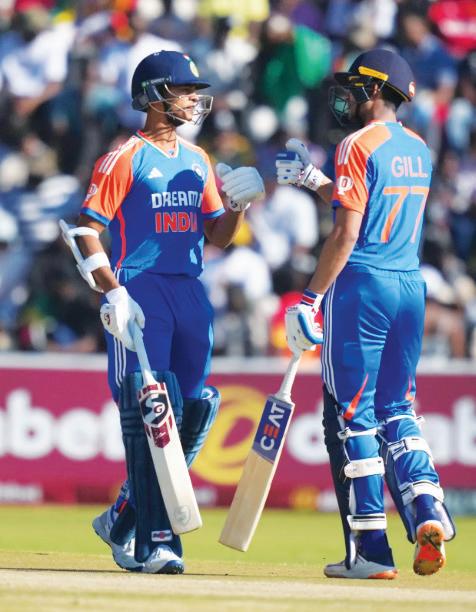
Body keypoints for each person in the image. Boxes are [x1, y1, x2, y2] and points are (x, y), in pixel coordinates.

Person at [61, 50, 264, 574]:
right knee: (154, 409)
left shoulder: (198, 160)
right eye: (184, 90)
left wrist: (238, 206)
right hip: (141, 289)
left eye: (197, 91)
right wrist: (113, 292)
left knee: (192, 411)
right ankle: (158, 541)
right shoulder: (124, 157)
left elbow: (218, 235)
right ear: (154, 96)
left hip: (190, 291)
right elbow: (86, 231)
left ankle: (123, 515)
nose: (194, 99)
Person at [276, 48, 455, 579]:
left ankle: (371, 548)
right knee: (398, 408)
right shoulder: (418, 148)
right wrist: (314, 180)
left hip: (362, 287)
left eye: (356, 86)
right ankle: (427, 506)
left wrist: (309, 298)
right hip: (409, 286)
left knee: (354, 415)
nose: (348, 95)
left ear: (375, 90)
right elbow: (370, 206)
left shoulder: (355, 144)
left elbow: (348, 231)